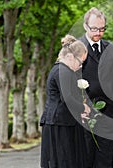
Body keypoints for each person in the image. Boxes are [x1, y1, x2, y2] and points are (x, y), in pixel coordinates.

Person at [80, 7, 113, 168]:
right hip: (84, 115)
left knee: (106, 161)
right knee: (85, 160)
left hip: (109, 114)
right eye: (94, 29)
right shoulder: (75, 48)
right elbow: (68, 82)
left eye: (102, 29)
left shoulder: (111, 49)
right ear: (85, 26)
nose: (98, 33)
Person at [40, 34, 91, 168]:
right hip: (58, 124)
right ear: (70, 57)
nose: (81, 67)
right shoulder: (62, 71)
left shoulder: (62, 70)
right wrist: (83, 108)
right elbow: (67, 99)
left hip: (61, 122)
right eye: (80, 62)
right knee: (62, 161)